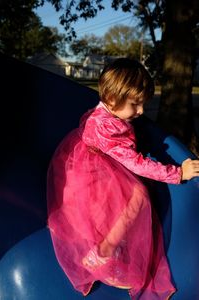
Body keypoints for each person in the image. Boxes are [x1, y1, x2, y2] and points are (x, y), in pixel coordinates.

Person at [47, 58, 199, 299]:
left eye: (143, 104)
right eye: (135, 104)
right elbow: (136, 163)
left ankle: (110, 245)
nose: (140, 111)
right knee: (137, 196)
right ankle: (104, 251)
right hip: (95, 171)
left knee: (115, 205)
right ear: (111, 98)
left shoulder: (104, 112)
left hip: (90, 164)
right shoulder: (108, 128)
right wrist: (178, 173)